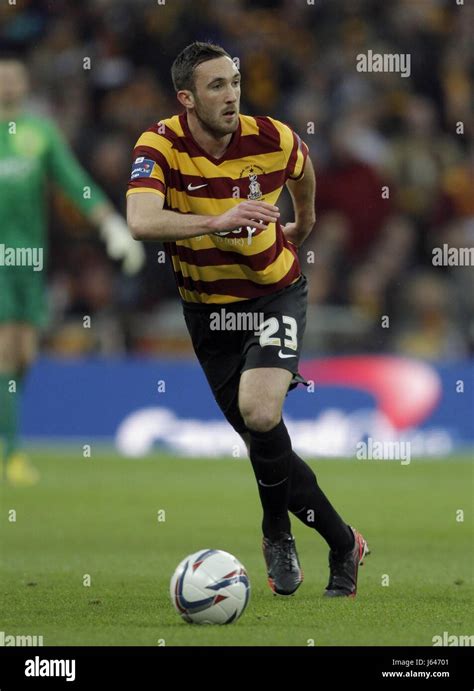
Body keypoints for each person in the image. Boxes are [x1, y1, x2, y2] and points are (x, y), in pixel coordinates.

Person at [126, 42, 369, 597]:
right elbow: (140, 220)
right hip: (207, 311)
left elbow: (304, 175)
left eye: (234, 82)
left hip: (273, 295)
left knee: (260, 413)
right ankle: (342, 541)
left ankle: (276, 531)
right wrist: (219, 219)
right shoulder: (160, 144)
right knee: (264, 439)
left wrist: (301, 227)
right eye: (216, 86)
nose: (231, 94)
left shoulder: (273, 137)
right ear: (186, 97)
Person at [0, 54, 145, 486]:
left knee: (24, 355)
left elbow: (74, 182)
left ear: (26, 85)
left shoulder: (39, 133)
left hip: (31, 260)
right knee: (7, 349)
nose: (8, 84)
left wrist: (111, 226)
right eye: (2, 78)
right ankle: (13, 454)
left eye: (14, 78)